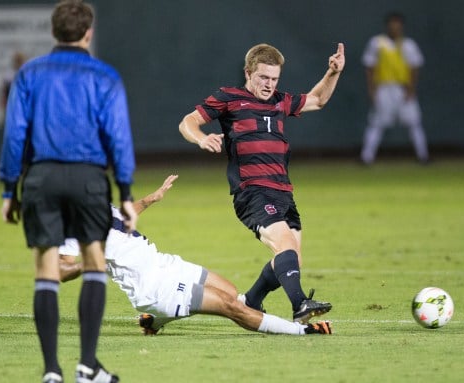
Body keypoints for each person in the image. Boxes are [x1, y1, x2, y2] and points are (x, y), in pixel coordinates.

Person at [0, 1, 135, 382]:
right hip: (89, 178)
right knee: (93, 262)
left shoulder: (30, 73)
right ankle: (88, 365)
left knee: (46, 268)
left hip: (41, 177)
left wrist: (10, 189)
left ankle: (52, 371)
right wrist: (125, 190)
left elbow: (14, 136)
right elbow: (118, 137)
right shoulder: (104, 76)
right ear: (87, 32)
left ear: (55, 32)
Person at [178, 43, 345, 323]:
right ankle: (300, 304)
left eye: (274, 79)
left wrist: (333, 73)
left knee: (291, 259)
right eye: (263, 78)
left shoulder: (281, 100)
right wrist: (201, 137)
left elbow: (318, 100)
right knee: (286, 248)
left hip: (283, 191)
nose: (269, 85)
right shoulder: (229, 97)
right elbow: (187, 122)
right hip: (252, 191)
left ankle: (251, 301)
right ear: (248, 72)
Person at [59, 175, 333, 336]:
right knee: (233, 307)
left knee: (231, 291)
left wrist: (152, 199)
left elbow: (124, 216)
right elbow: (61, 270)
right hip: (155, 289)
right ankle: (302, 331)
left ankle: (155, 322)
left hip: (165, 264)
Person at [360, 12, 429, 165]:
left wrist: (411, 89)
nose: (394, 28)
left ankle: (423, 156)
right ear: (387, 26)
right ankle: (366, 157)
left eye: (397, 25)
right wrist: (371, 89)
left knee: (414, 122)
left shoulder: (409, 44)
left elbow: (414, 68)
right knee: (376, 123)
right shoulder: (377, 43)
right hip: (383, 88)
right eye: (392, 25)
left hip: (402, 88)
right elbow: (369, 67)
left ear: (401, 27)